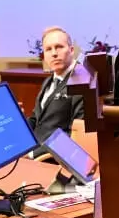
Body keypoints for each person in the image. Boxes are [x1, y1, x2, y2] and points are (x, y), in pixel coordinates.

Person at [26, 26, 84, 157]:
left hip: (53, 159)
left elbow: (75, 135)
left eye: (59, 47)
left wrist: (32, 154)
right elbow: (36, 119)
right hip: (34, 151)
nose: (54, 53)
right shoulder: (48, 81)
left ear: (71, 50)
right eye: (48, 49)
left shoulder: (81, 83)